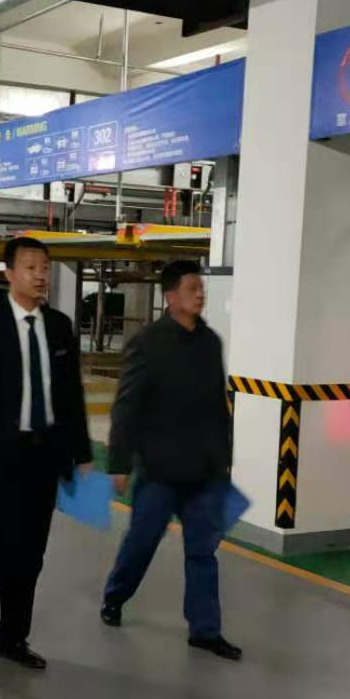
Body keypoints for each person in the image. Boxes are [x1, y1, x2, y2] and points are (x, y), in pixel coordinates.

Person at [0, 237, 92, 670]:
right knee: (1, 540)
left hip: (45, 454)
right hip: (0, 453)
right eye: (30, 267)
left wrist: (81, 453)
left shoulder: (59, 326)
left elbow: (71, 396)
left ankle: (12, 637)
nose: (40, 275)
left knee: (31, 551)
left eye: (45, 267)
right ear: (9, 273)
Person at [100, 260, 241, 660]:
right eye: (192, 288)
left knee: (202, 551)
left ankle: (205, 630)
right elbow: (126, 407)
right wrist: (119, 463)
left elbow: (218, 407)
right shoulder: (147, 343)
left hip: (204, 470)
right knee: (142, 541)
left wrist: (224, 459)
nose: (200, 294)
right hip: (160, 470)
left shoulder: (210, 342)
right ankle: (115, 596)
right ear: (171, 296)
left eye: (201, 288)